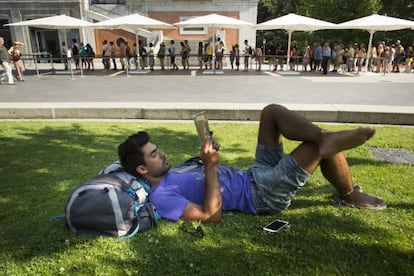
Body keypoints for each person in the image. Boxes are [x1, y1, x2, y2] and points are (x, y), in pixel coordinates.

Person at [118, 104, 386, 223]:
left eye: (157, 149)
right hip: (260, 194)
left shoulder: (172, 172)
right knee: (314, 148)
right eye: (154, 154)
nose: (161, 153)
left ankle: (324, 139)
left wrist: (206, 158)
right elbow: (211, 216)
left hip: (253, 174)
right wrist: (211, 166)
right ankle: (349, 193)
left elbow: (203, 177)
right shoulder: (162, 196)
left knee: (271, 113)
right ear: (142, 170)